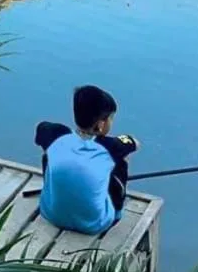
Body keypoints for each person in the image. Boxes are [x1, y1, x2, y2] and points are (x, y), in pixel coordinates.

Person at [35, 85, 140, 235]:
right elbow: (134, 143)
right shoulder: (109, 146)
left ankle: (56, 191)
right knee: (121, 160)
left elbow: (41, 128)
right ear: (101, 124)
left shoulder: (55, 134)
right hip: (94, 225)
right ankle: (116, 212)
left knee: (49, 152)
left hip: (50, 214)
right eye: (111, 118)